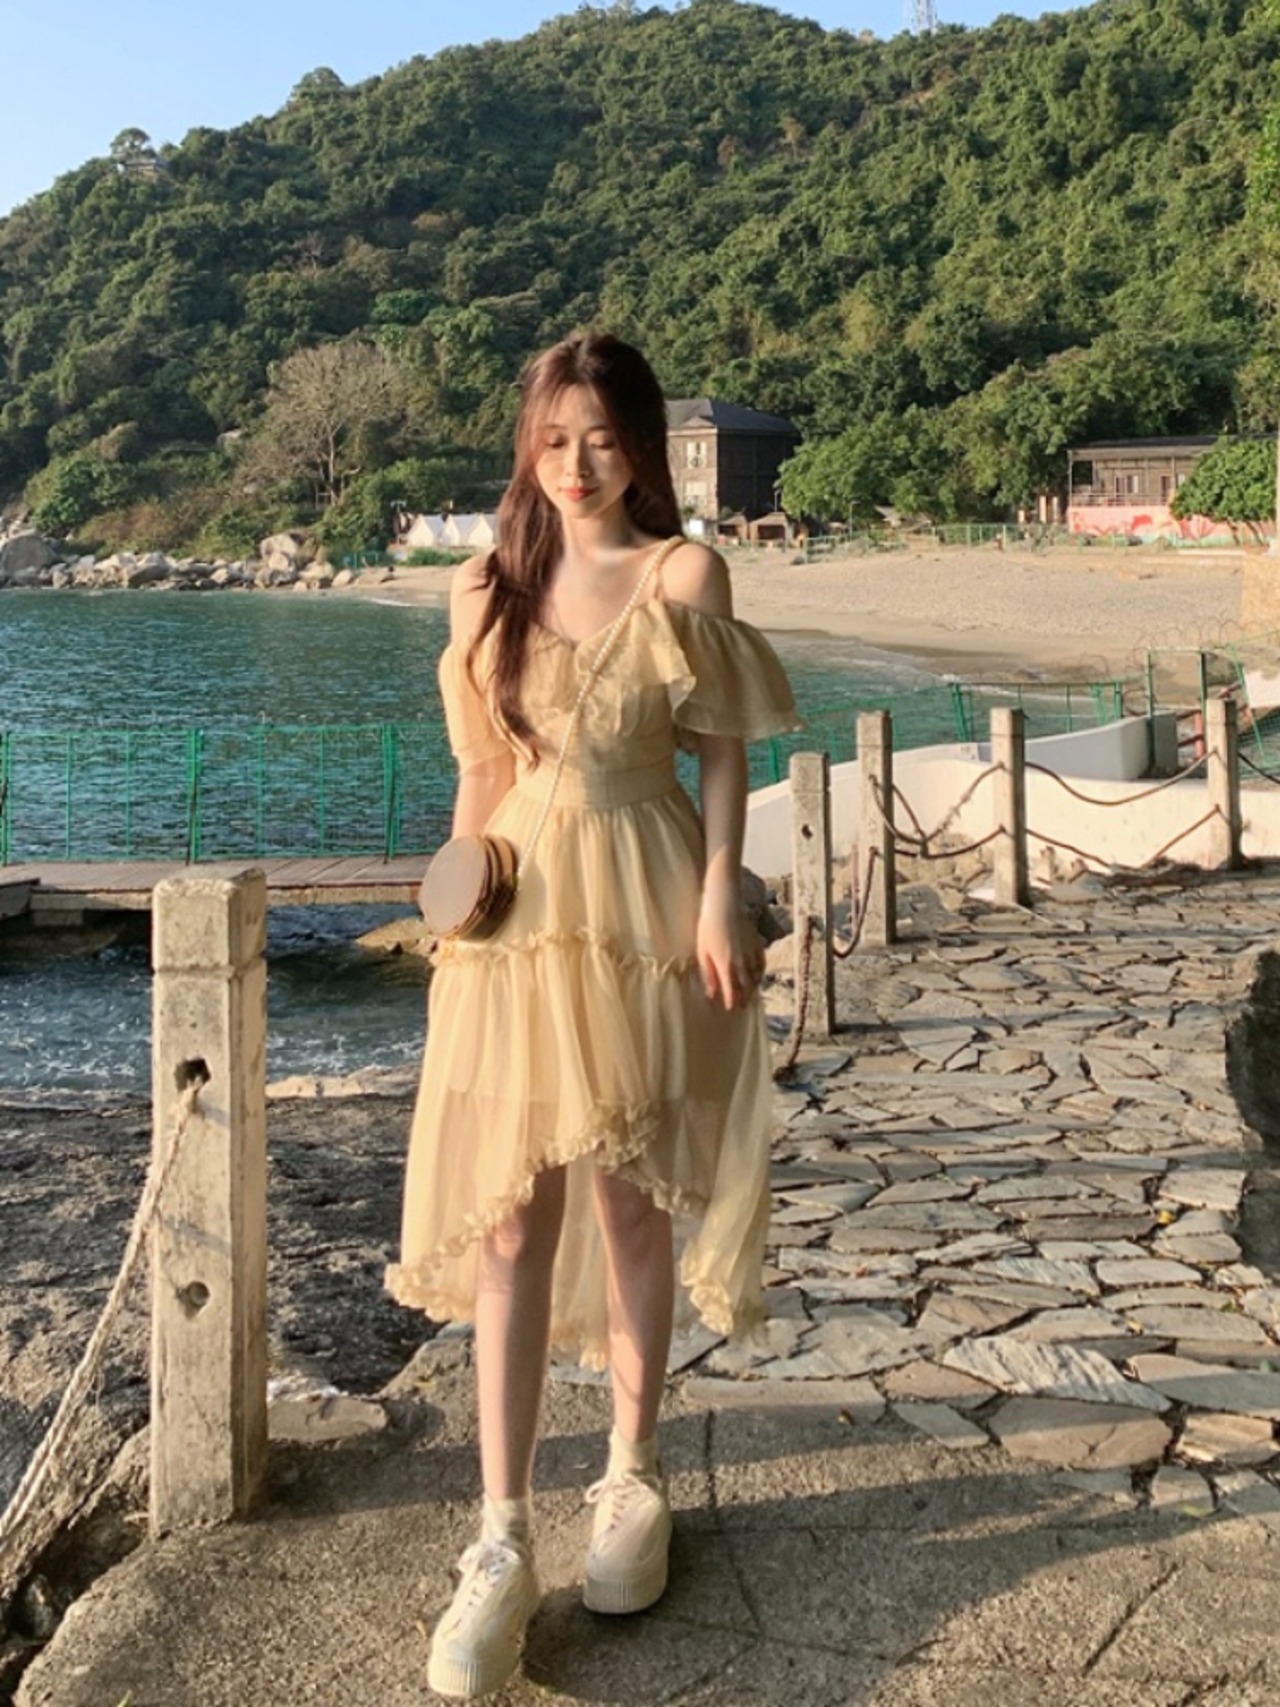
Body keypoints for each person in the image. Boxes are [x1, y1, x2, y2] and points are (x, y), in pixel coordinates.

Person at [386, 331, 799, 1700]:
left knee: (631, 1201)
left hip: (646, 905)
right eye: (554, 439)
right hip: (517, 919)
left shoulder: (682, 574)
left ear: (642, 449)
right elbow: (482, 771)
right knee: (510, 1216)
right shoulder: (482, 586)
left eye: (603, 440)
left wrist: (720, 897)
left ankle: (630, 1472)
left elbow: (722, 753)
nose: (575, 466)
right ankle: (500, 1532)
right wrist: (453, 925)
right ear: (529, 444)